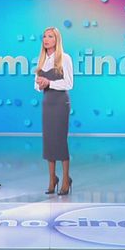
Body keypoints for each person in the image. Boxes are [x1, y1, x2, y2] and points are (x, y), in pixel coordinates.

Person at [34, 27, 74, 195]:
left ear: (57, 40)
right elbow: (36, 85)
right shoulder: (41, 60)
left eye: (50, 36)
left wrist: (49, 83)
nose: (46, 39)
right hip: (47, 103)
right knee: (49, 141)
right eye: (44, 36)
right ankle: (52, 179)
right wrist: (40, 84)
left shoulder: (65, 58)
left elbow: (69, 83)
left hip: (60, 103)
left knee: (60, 141)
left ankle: (65, 179)